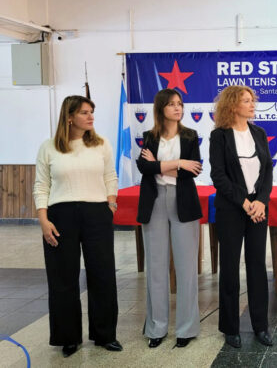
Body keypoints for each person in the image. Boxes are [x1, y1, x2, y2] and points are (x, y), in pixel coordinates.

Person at [33, 95, 122, 357]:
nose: (91, 116)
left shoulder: (101, 144)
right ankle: (68, 337)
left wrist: (111, 204)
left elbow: (110, 176)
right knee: (62, 278)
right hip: (60, 215)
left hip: (97, 213)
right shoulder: (49, 147)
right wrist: (43, 220)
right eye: (84, 112)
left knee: (103, 274)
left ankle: (105, 335)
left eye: (91, 111)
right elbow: (41, 185)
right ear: (69, 117)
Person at [136, 88, 203, 349]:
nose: (178, 108)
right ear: (161, 108)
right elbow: (144, 167)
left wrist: (161, 165)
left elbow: (193, 170)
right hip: (154, 201)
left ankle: (186, 328)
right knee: (155, 266)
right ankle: (156, 328)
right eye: (172, 104)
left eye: (180, 104)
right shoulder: (149, 136)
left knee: (186, 267)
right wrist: (178, 163)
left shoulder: (190, 135)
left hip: (182, 201)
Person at [209, 85, 273, 349]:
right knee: (230, 267)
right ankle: (230, 328)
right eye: (246, 101)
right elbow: (218, 176)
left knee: (257, 266)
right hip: (231, 210)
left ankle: (261, 326)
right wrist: (244, 202)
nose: (252, 104)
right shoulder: (219, 136)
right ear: (233, 105)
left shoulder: (259, 133)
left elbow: (267, 171)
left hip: (257, 209)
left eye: (252, 100)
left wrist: (261, 201)